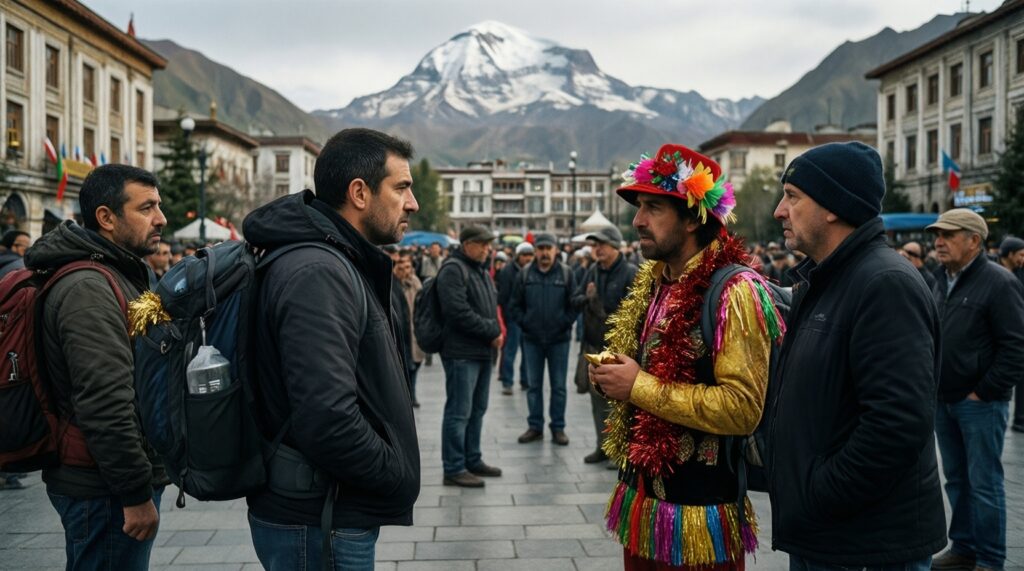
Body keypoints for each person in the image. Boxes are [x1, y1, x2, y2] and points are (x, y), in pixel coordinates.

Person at [590, 144, 780, 570]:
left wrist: (637, 386)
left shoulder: (735, 292)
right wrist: (612, 376)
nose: (637, 220)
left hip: (700, 515)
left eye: (653, 208)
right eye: (639, 207)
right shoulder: (654, 283)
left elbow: (743, 408)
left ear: (694, 218)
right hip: (642, 501)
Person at [242, 128, 421, 570]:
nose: (412, 203)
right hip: (320, 518)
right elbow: (327, 418)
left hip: (327, 509)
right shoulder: (318, 271)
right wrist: (394, 472)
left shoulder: (333, 259)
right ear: (359, 193)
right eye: (401, 187)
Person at [768, 142, 946, 570]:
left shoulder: (884, 283)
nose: (779, 210)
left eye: (792, 196)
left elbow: (896, 423)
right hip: (828, 536)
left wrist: (821, 493)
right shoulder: (827, 278)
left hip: (864, 545)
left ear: (833, 206)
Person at [24, 164, 169, 569]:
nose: (161, 218)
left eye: (158, 206)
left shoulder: (116, 274)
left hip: (106, 483)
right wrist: (135, 494)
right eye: (147, 208)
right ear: (106, 217)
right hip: (101, 488)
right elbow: (105, 401)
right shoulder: (88, 287)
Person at [927, 210, 1024, 571]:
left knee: (984, 483)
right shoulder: (940, 279)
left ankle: (990, 558)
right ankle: (964, 547)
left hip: (979, 403)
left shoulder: (999, 282)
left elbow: (1015, 346)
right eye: (937, 234)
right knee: (956, 479)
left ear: (974, 241)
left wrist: (984, 391)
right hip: (944, 398)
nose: (939, 241)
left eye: (949, 234)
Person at [437, 225, 503, 488]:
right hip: (462, 353)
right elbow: (457, 312)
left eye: (489, 244)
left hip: (482, 352)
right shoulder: (453, 269)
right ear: (467, 244)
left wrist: (493, 331)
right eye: (483, 244)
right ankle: (453, 467)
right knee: (459, 412)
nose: (488, 249)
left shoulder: (480, 269)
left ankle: (472, 459)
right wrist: (491, 331)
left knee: (477, 409)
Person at [570, 225, 636, 465]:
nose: (596, 249)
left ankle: (621, 453)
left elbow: (634, 312)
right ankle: (603, 447)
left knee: (620, 403)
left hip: (619, 349)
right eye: (594, 245)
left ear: (615, 246)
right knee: (597, 400)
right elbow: (574, 298)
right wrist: (587, 299)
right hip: (594, 346)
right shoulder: (592, 272)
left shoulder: (630, 272)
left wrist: (604, 312)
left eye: (601, 245)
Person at [509, 233, 577, 446]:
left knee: (558, 386)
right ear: (535, 251)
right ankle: (535, 426)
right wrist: (526, 323)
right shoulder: (525, 274)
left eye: (549, 248)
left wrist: (564, 322)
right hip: (532, 340)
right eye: (541, 248)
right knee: (533, 385)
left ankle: (558, 427)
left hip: (559, 340)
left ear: (556, 250)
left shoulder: (566, 274)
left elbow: (574, 303)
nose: (545, 252)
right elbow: (514, 305)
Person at [496, 242, 534, 394]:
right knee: (510, 350)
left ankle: (525, 380)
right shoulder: (508, 271)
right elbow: (503, 297)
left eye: (530, 255)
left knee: (527, 351)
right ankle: (507, 381)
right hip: (513, 318)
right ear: (519, 256)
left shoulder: (533, 270)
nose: (528, 258)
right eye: (525, 255)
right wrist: (507, 317)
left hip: (529, 318)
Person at [396, 251, 424, 407]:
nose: (405, 270)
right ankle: (409, 396)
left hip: (414, 329)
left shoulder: (415, 282)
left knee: (415, 365)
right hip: (403, 331)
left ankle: (412, 394)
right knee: (407, 366)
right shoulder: (394, 284)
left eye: (408, 266)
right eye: (402, 266)